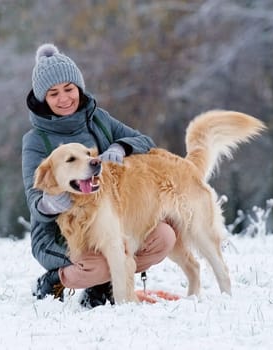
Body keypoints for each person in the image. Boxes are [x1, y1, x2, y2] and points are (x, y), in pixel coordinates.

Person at [22, 43, 177, 308]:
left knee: (163, 238)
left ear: (79, 89)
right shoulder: (37, 141)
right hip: (59, 233)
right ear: (43, 99)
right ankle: (54, 280)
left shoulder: (99, 120)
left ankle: (105, 287)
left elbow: (144, 141)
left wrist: (121, 146)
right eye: (53, 93)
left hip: (108, 221)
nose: (64, 99)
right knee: (100, 265)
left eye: (69, 89)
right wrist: (48, 204)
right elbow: (33, 198)